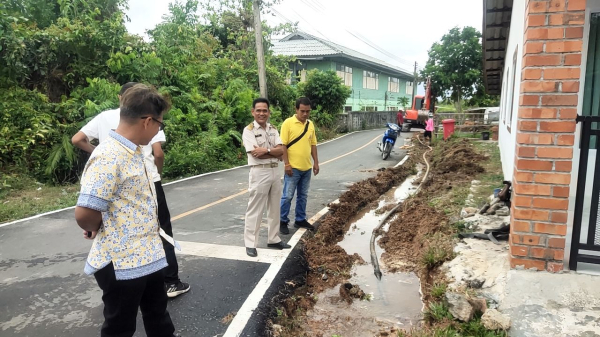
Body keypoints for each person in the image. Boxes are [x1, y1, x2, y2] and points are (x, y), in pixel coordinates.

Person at [74, 84, 179, 337]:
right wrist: (96, 226)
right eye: (159, 124)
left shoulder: (136, 151)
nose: (158, 130)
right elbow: (84, 214)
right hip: (122, 260)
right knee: (120, 326)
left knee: (159, 317)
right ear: (147, 122)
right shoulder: (109, 156)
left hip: (149, 254)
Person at [241, 98, 292, 257]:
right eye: (259, 110)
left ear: (269, 112)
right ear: (253, 112)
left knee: (274, 207)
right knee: (255, 209)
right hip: (259, 172)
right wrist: (272, 152)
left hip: (275, 172)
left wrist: (266, 151)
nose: (262, 113)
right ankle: (250, 243)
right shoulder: (248, 130)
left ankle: (274, 239)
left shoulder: (273, 129)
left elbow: (281, 151)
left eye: (265, 110)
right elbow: (255, 155)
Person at [279, 97, 320, 235]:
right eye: (302, 111)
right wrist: (287, 164)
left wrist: (316, 162)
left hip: (306, 168)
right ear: (296, 109)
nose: (305, 114)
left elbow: (313, 144)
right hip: (293, 168)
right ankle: (282, 221)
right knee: (288, 196)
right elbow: (283, 145)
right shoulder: (288, 123)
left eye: (308, 111)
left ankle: (300, 219)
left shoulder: (310, 124)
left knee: (303, 195)